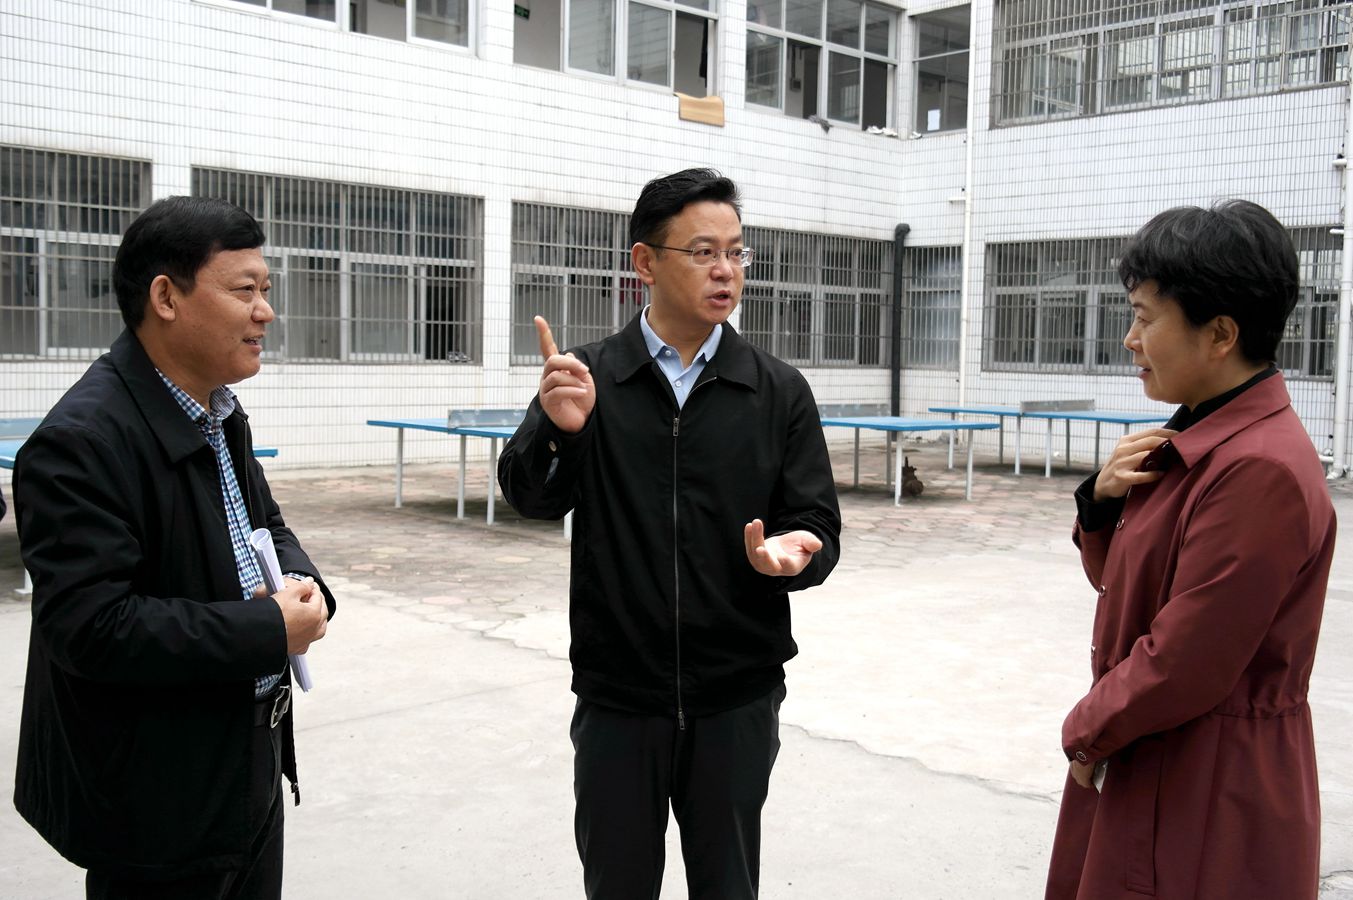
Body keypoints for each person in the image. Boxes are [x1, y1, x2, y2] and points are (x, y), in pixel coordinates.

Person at [498, 168, 841, 899]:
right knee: (618, 884)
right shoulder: (590, 376)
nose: (725, 270)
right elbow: (531, 498)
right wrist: (558, 433)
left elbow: (816, 522)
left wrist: (796, 555)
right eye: (703, 251)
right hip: (620, 696)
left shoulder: (776, 390)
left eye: (736, 252)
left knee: (727, 885)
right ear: (646, 262)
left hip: (736, 695)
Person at [12, 196, 334, 900]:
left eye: (266, 290)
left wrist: (304, 588)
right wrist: (266, 628)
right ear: (165, 297)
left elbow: (267, 523)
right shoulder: (81, 443)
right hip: (156, 799)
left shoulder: (218, 409)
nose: (266, 312)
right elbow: (92, 629)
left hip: (246, 760)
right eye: (244, 290)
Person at [1045, 200, 1336, 900]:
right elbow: (1131, 591)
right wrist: (1100, 504)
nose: (1129, 339)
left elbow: (1184, 661)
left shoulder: (1256, 469)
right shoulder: (1196, 442)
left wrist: (1085, 730)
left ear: (1220, 334)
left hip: (1209, 781)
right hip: (1157, 748)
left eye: (1145, 318)